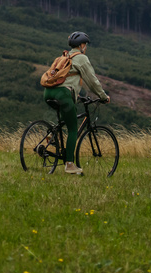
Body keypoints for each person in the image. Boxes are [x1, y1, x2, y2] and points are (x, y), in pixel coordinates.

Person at [44, 31, 110, 175]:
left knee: (67, 115)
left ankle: (52, 135)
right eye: (85, 44)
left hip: (48, 92)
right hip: (63, 94)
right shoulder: (81, 58)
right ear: (81, 45)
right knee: (73, 129)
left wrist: (76, 95)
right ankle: (69, 164)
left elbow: (67, 80)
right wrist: (103, 96)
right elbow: (92, 81)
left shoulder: (64, 56)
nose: (85, 47)